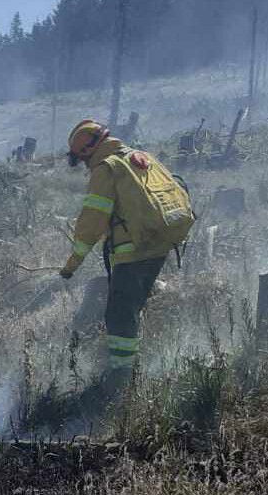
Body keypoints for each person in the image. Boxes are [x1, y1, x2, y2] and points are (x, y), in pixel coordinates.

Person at [59, 119, 194, 389]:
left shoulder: (105, 169)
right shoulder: (139, 157)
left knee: (120, 314)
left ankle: (121, 379)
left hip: (133, 252)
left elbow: (92, 221)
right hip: (159, 245)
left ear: (87, 151)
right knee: (133, 306)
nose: (82, 164)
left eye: (80, 158)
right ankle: (140, 358)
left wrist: (72, 264)